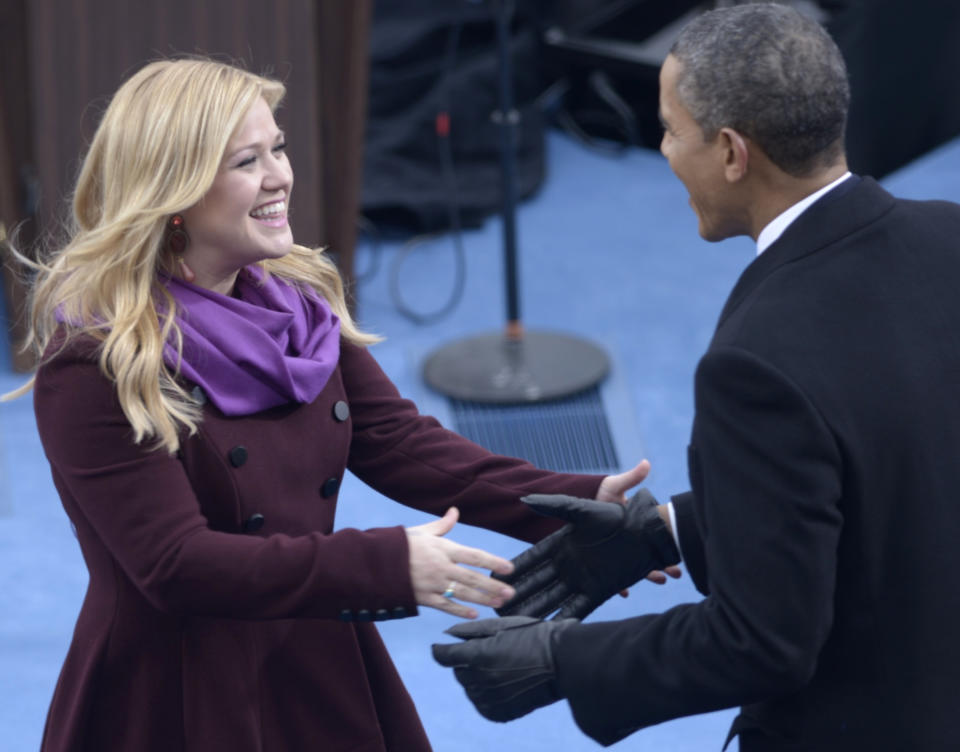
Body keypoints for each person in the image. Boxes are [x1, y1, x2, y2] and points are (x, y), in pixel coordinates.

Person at [3, 57, 663, 751]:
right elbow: (176, 566)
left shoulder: (297, 302)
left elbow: (406, 446)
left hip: (314, 654)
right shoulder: (96, 365)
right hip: (178, 694)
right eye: (247, 161)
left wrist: (580, 504)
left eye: (278, 148)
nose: (280, 176)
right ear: (176, 192)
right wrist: (385, 568)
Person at [432, 4, 960, 750]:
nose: (665, 150)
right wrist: (669, 531)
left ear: (733, 153)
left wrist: (563, 661)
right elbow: (894, 466)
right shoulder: (950, 237)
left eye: (673, 130)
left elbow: (764, 640)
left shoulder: (755, 362)